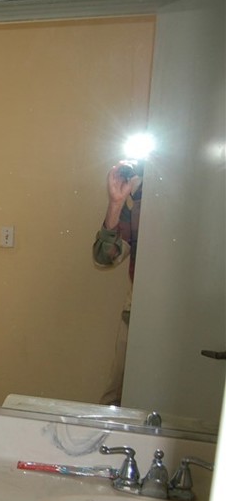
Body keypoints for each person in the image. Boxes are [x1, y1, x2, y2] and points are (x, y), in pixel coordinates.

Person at [92, 160, 143, 405]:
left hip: (189, 317)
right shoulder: (137, 194)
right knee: (117, 400)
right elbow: (105, 257)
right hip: (136, 313)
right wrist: (116, 203)